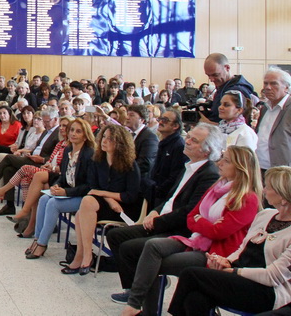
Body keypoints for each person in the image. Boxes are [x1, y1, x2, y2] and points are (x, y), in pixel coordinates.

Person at [117, 144, 262, 316]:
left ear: (240, 168)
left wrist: (202, 221)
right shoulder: (217, 187)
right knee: (153, 246)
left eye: (226, 160)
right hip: (196, 239)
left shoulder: (247, 198)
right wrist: (205, 223)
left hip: (215, 252)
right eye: (222, 157)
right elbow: (191, 217)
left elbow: (220, 232)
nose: (220, 163)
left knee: (151, 265)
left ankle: (138, 308)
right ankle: (136, 307)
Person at [107, 122, 223, 309]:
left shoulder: (208, 174)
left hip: (178, 230)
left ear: (207, 150)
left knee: (131, 248)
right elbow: (171, 199)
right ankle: (133, 288)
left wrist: (157, 222)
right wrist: (155, 211)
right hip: (163, 219)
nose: (188, 141)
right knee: (115, 235)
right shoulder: (189, 166)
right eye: (189, 136)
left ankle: (140, 298)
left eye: (195, 140)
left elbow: (188, 212)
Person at [168, 166, 291, 315]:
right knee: (196, 299)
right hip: (240, 278)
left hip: (268, 291)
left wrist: (233, 271)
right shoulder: (265, 215)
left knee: (190, 274)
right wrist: (226, 261)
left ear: (283, 198)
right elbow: (243, 248)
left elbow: (272, 276)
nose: (264, 191)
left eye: (269, 187)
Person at [61, 124, 141, 275]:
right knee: (84, 206)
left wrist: (106, 196)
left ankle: (83, 255)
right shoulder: (98, 160)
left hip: (123, 208)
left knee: (84, 207)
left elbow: (131, 196)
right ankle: (85, 255)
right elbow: (92, 187)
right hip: (104, 205)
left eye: (110, 139)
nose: (104, 141)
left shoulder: (130, 165)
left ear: (119, 143)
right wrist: (109, 199)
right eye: (103, 137)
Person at [25, 118, 96, 258]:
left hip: (83, 196)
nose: (73, 134)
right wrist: (57, 185)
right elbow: (63, 176)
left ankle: (42, 244)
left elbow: (90, 186)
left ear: (85, 135)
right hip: (68, 192)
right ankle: (37, 239)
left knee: (52, 203)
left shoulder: (90, 154)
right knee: (44, 198)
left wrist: (66, 192)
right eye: (72, 130)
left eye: (78, 131)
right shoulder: (68, 150)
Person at [203, 52, 256, 123]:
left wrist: (206, 123)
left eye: (215, 75)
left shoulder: (237, 91)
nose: (211, 79)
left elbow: (236, 123)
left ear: (227, 68)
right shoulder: (222, 87)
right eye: (208, 75)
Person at [256, 67, 291, 171]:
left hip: (282, 171)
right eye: (265, 83)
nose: (268, 87)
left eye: (273, 84)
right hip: (260, 167)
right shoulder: (264, 108)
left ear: (286, 87)